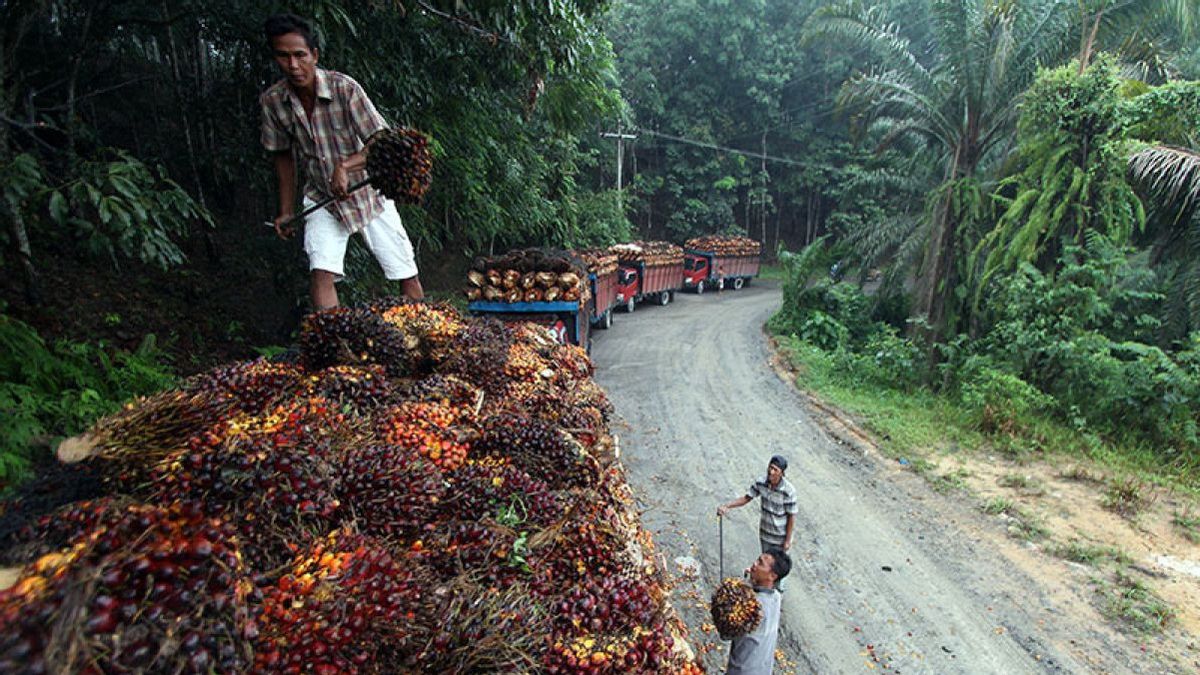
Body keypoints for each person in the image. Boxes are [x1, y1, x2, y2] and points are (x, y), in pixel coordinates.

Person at [260, 13, 423, 310]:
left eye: (300, 55)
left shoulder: (344, 89)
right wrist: (285, 211)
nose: (293, 66)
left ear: (314, 55)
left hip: (369, 194)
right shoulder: (273, 102)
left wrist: (345, 167)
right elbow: (283, 157)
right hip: (322, 197)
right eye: (284, 57)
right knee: (321, 273)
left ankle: (426, 340)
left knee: (404, 271)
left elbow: (380, 141)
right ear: (275, 59)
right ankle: (335, 347)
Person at [726, 549, 791, 675]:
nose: (754, 564)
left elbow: (726, 634)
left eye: (760, 563)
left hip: (743, 670)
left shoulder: (753, 606)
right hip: (764, 668)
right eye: (757, 560)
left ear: (772, 576)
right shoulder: (776, 597)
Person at [717, 455, 798, 553]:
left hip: (780, 538)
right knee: (765, 565)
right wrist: (727, 506)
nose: (771, 472)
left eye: (775, 470)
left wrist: (787, 540)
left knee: (778, 566)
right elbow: (746, 498)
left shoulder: (788, 491)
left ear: (782, 473)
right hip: (765, 535)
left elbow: (791, 517)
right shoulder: (761, 482)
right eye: (770, 467)